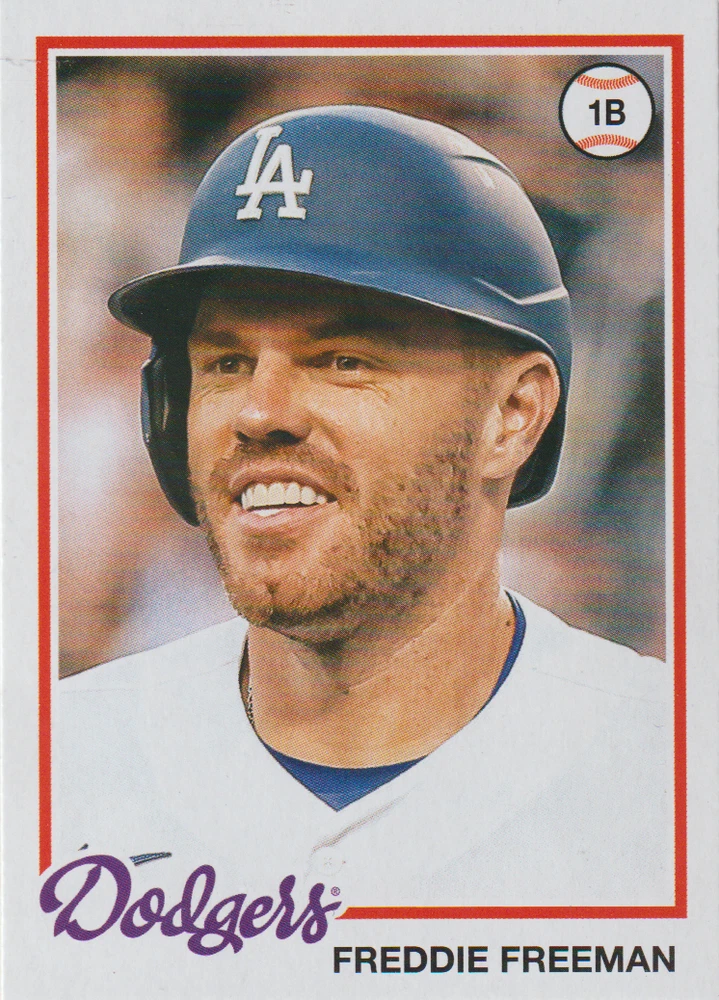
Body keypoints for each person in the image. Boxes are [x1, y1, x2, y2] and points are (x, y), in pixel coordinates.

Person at [54, 106, 671, 908]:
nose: (259, 412)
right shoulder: (51, 772)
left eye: (343, 359)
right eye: (225, 362)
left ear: (512, 415)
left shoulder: (669, 777)